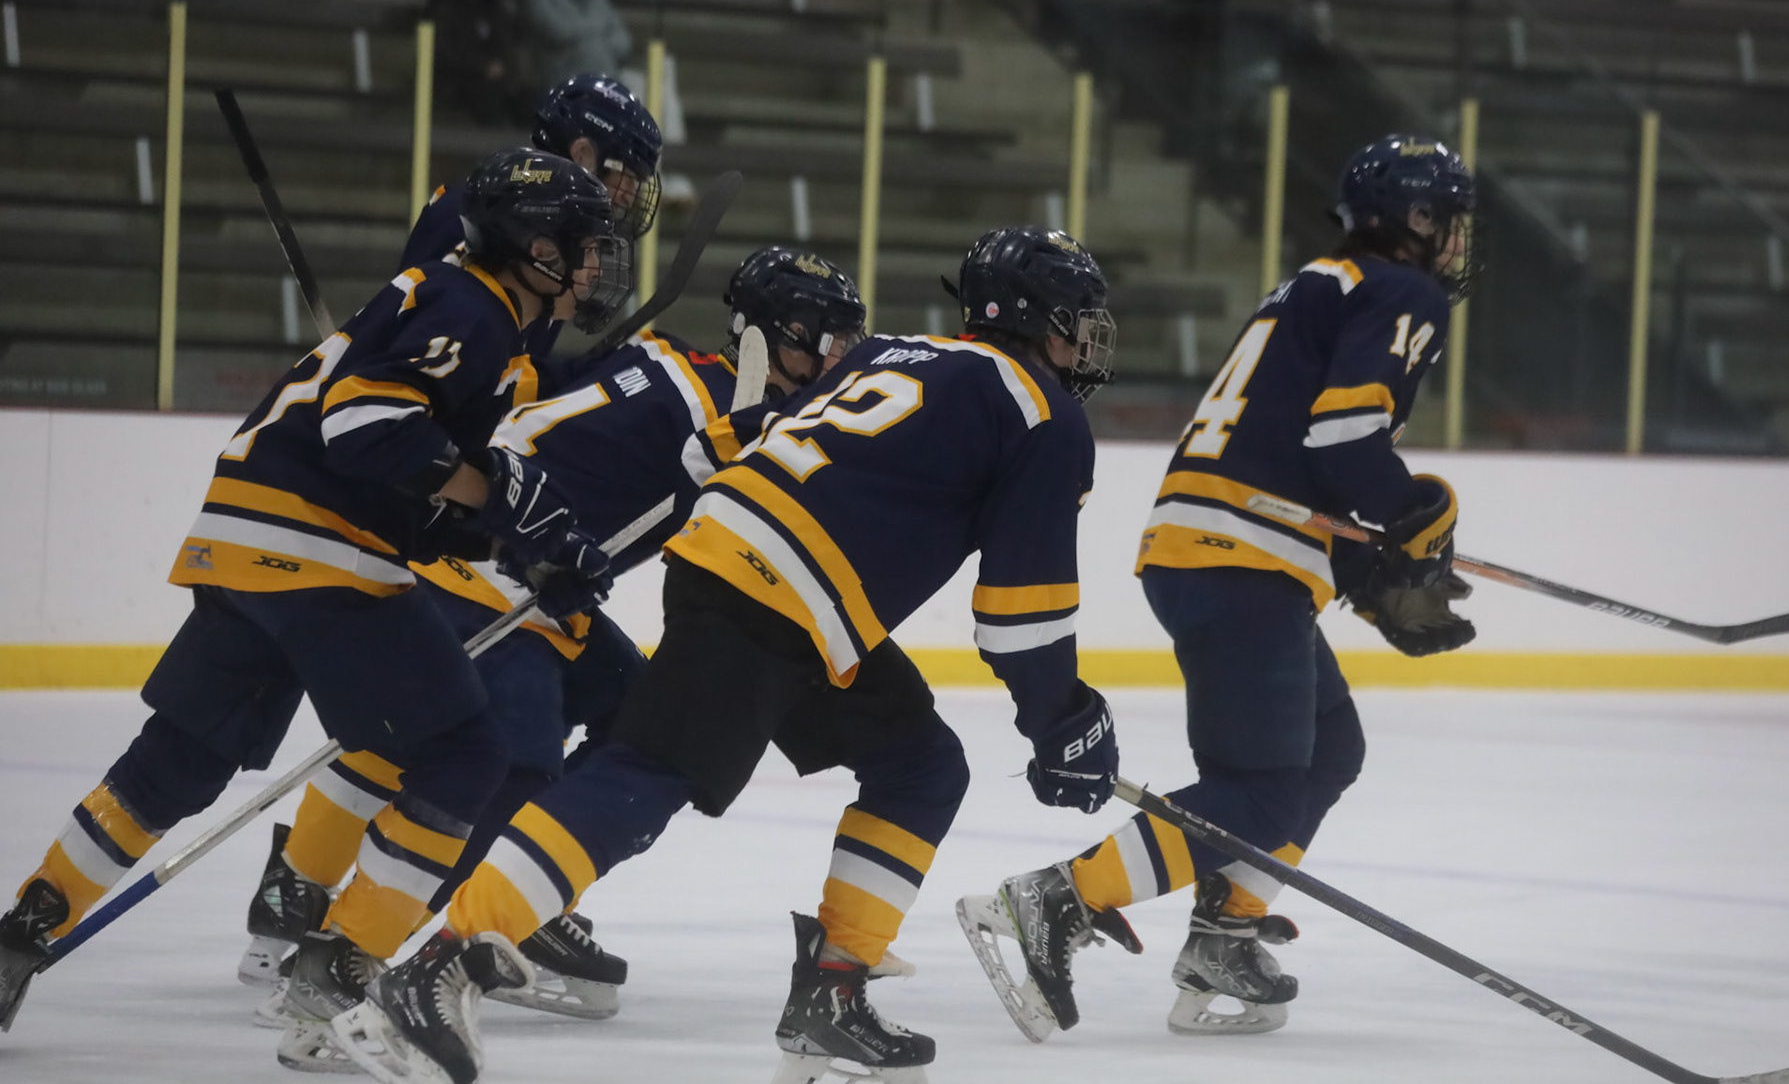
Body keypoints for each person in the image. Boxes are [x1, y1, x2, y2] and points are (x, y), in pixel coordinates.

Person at [330, 226, 1123, 1084]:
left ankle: (835, 991)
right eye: (1079, 324)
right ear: (1040, 319)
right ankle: (437, 967)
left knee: (921, 766)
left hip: (762, 573)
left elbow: (740, 441)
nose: (1085, 344)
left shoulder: (896, 350)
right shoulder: (1044, 415)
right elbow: (1019, 618)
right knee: (643, 775)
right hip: (778, 589)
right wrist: (1065, 723)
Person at [0, 148, 628, 1047]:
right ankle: (336, 980)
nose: (596, 266)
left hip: (242, 541)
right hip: (320, 552)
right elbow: (366, 428)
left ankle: (25, 927)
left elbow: (402, 485)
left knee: (176, 762)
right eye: (583, 246)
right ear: (535, 248)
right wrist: (498, 490)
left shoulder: (441, 301)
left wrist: (520, 544)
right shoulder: (476, 309)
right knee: (466, 755)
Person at [238, 248, 867, 1040]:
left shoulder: (675, 366)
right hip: (490, 573)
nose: (842, 359)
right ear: (781, 336)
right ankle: (349, 957)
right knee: (506, 770)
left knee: (637, 715)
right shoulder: (713, 405)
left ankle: (520, 889)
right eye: (831, 340)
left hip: (528, 580)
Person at [957, 135, 1481, 1041]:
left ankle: (1225, 932)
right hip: (1242, 555)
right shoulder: (1403, 290)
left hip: (1225, 545)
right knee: (1260, 792)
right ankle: (1058, 898)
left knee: (1331, 749)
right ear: (1419, 220)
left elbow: (1291, 450)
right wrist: (1415, 514)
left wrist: (1372, 575)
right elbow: (1343, 443)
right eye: (1452, 222)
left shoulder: (1317, 284)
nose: (1459, 243)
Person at [403, 72, 662, 395]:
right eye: (627, 176)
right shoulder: (476, 215)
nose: (630, 197)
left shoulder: (552, 236)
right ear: (582, 154)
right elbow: (424, 363)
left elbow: (506, 379)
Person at [428, 0, 522, 129]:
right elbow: (444, 53)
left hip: (497, 86)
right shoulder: (446, 8)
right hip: (458, 88)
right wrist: (482, 67)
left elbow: (507, 48)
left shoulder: (496, 6)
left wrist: (505, 70)